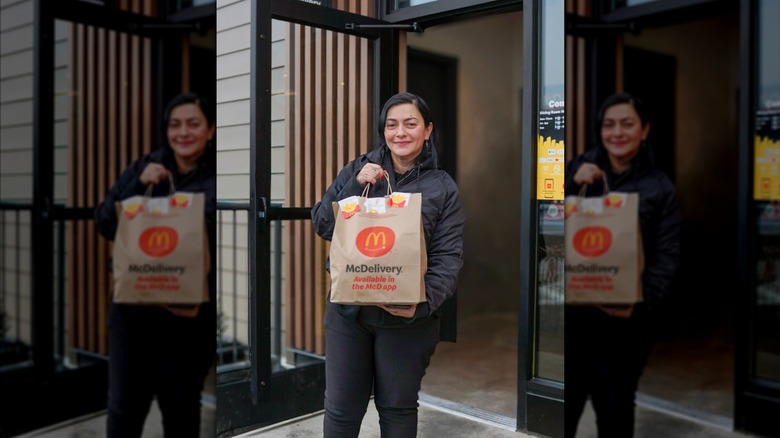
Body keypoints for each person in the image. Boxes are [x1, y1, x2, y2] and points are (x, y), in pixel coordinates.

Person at [311, 92, 465, 437]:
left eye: (410, 124)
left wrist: (421, 305)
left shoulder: (442, 188)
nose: (400, 132)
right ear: (383, 131)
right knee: (341, 409)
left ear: (427, 130)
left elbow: (448, 255)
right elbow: (323, 225)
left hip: (405, 318)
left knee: (397, 409)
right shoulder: (359, 170)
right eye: (391, 125)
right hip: (348, 314)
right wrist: (354, 186)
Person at [94, 92, 216, 437]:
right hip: (134, 314)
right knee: (124, 410)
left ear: (210, 130)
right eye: (175, 125)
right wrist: (137, 184)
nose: (183, 132)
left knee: (181, 412)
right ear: (166, 131)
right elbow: (105, 223)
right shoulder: (144, 168)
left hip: (189, 320)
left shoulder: (216, 177)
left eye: (193, 124)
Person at [564, 92, 681, 437]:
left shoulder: (659, 187)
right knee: (564, 406)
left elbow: (667, 254)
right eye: (609, 124)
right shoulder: (577, 169)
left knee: (615, 407)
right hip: (575, 317)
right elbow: (543, 227)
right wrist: (572, 183)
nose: (617, 132)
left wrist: (642, 305)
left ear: (644, 130)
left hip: (627, 324)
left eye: (627, 124)